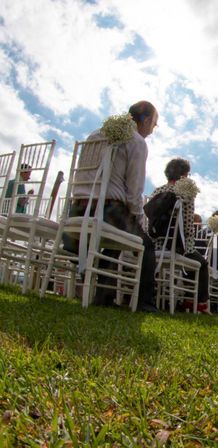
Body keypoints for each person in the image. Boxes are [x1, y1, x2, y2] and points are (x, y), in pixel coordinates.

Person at [65, 100, 158, 312]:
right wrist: (139, 222)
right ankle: (146, 303)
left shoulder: (95, 135)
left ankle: (104, 296)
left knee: (117, 242)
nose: (152, 131)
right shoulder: (136, 141)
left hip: (77, 207)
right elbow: (134, 192)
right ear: (144, 120)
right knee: (146, 245)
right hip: (108, 209)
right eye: (154, 124)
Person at [149, 158, 210, 314]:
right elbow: (188, 227)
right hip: (177, 246)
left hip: (155, 245)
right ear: (184, 175)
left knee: (193, 259)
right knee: (201, 263)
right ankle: (196, 303)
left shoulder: (157, 191)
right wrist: (189, 241)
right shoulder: (186, 193)